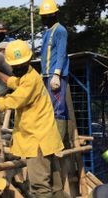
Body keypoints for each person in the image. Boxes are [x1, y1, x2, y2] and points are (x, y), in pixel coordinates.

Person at [0, 40, 66, 197]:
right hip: (45, 139)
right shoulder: (29, 73)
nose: (17, 68)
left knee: (40, 188)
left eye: (19, 65)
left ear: (28, 61)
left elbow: (11, 101)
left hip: (37, 142)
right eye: (15, 66)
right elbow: (14, 82)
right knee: (55, 186)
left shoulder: (31, 81)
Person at [39, 0, 70, 141]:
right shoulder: (47, 32)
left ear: (54, 15)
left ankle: (58, 141)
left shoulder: (60, 30)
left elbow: (62, 54)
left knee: (58, 108)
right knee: (48, 107)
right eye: (43, 16)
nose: (44, 19)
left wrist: (56, 74)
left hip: (55, 75)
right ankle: (51, 138)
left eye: (47, 16)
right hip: (46, 74)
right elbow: (46, 56)